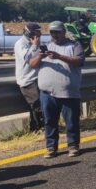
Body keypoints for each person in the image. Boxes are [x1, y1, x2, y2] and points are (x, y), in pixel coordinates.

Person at [32, 21, 86, 158]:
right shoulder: (45, 47)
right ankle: (51, 147)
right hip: (47, 92)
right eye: (51, 32)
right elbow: (32, 64)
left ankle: (73, 146)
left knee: (71, 121)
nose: (54, 35)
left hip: (68, 92)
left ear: (64, 32)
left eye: (57, 32)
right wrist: (40, 56)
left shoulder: (74, 45)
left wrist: (59, 56)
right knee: (49, 121)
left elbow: (79, 61)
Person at [14, 23, 45, 131]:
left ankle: (35, 128)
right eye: (37, 31)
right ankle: (41, 128)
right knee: (37, 105)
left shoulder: (35, 42)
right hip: (28, 80)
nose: (40, 33)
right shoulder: (20, 44)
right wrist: (35, 46)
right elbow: (27, 58)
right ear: (30, 33)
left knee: (40, 104)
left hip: (38, 77)